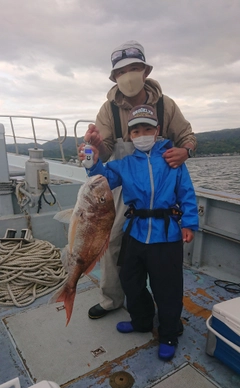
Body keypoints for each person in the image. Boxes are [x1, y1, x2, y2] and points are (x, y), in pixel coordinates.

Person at [81, 40, 197, 320]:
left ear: (145, 71)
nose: (128, 76)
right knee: (111, 243)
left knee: (160, 256)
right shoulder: (108, 110)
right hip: (125, 182)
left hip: (161, 187)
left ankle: (161, 306)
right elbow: (106, 151)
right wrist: (95, 148)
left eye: (134, 68)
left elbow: (187, 137)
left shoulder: (166, 105)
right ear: (114, 78)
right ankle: (111, 300)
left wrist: (186, 151)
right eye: (121, 72)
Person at [79, 105, 199, 359]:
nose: (142, 133)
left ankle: (168, 332)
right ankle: (142, 321)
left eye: (147, 128)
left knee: (167, 287)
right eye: (136, 130)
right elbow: (102, 180)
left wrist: (189, 222)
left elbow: (186, 192)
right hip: (135, 232)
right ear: (129, 136)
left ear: (157, 131)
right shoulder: (125, 164)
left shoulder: (171, 159)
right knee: (130, 281)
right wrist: (93, 160)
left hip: (167, 235)